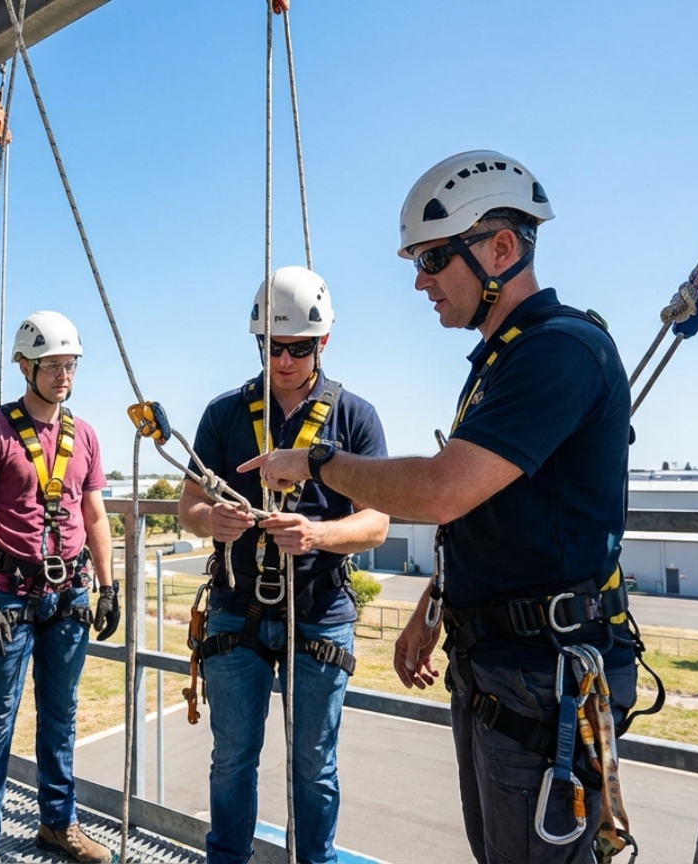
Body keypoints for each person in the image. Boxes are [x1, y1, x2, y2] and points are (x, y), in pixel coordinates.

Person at [247, 151, 639, 863]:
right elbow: (490, 518)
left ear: (500, 248)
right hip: (501, 662)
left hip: (541, 673)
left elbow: (439, 491)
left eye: (432, 259)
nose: (421, 281)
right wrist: (432, 611)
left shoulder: (560, 352)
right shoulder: (503, 362)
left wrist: (314, 461)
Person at [177, 267, 390, 864]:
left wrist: (318, 534)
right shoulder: (225, 415)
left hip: (318, 612)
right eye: (274, 347)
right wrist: (208, 522)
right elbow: (189, 504)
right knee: (232, 759)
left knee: (313, 765)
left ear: (323, 343)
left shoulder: (354, 419)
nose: (286, 360)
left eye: (299, 348)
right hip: (236, 612)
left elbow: (376, 522)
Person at [0, 311, 120, 864]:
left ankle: (58, 824)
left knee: (62, 714)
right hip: (8, 595)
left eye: (69, 365)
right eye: (52, 365)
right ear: (25, 366)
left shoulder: (86, 436)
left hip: (69, 595)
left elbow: (95, 516)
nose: (62, 375)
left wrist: (108, 584)